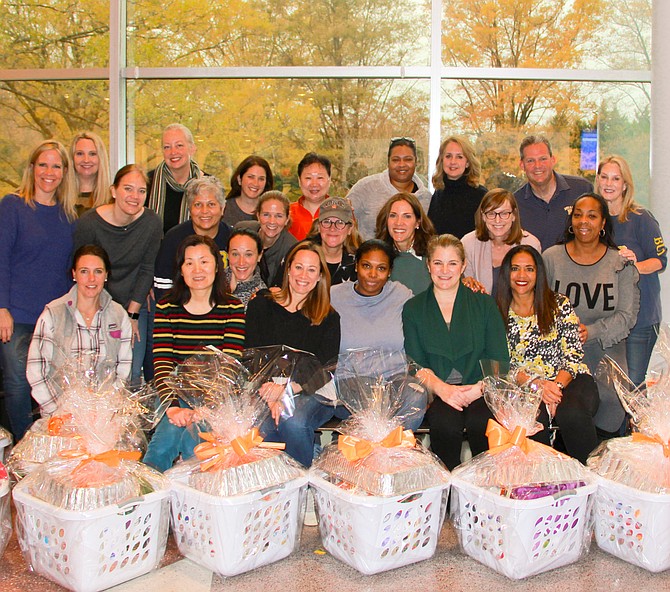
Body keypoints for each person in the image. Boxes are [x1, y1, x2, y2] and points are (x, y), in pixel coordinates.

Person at [402, 234, 509, 470]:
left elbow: (499, 359)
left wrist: (478, 389)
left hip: (481, 388)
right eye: (438, 263)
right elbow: (415, 363)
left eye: (452, 263)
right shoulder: (414, 308)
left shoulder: (484, 304)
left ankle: (484, 488)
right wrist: (444, 390)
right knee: (444, 425)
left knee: (482, 421)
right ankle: (448, 494)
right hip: (439, 391)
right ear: (428, 265)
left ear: (463, 266)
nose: (444, 270)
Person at [144, 235, 245, 472]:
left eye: (204, 261)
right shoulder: (167, 307)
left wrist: (205, 407)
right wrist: (173, 406)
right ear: (180, 269)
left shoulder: (232, 308)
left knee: (193, 440)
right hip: (173, 391)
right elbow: (162, 362)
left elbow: (230, 366)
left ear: (217, 266)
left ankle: (187, 495)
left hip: (217, 395)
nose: (197, 269)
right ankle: (150, 490)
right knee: (168, 435)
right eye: (189, 263)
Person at [543, 193, 640, 436]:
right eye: (578, 215)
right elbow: (536, 308)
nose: (583, 221)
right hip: (558, 370)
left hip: (605, 366)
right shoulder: (550, 259)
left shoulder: (620, 262)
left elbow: (627, 317)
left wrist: (592, 331)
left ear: (603, 223)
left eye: (592, 216)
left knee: (603, 445)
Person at [0, 139, 77, 440]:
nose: (49, 171)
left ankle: (50, 445)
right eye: (42, 164)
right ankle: (25, 446)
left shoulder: (69, 215)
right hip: (17, 314)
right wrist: (2, 307)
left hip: (56, 318)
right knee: (19, 384)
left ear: (64, 172)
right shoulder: (13, 206)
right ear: (32, 168)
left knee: (54, 385)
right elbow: (1, 257)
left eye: (56, 166)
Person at [496, 245, 599, 464]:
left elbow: (573, 353)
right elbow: (499, 362)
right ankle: (543, 485)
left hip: (571, 379)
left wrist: (556, 389)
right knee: (534, 420)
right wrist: (536, 385)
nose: (522, 275)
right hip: (524, 386)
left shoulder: (559, 304)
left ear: (538, 273)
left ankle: (593, 481)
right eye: (515, 268)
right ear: (507, 272)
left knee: (571, 412)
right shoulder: (495, 311)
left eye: (529, 269)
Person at [245, 242, 340, 467]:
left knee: (293, 421)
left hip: (311, 389)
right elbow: (251, 356)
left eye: (311, 270)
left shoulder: (328, 317)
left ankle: (301, 482)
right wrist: (271, 393)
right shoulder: (261, 306)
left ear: (319, 277)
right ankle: (277, 488)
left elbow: (324, 368)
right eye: (298, 267)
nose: (303, 276)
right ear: (288, 270)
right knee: (260, 428)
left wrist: (286, 391)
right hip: (266, 387)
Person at [74, 164, 163, 385]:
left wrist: (131, 315)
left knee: (132, 371)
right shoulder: (89, 224)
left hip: (134, 303)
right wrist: (104, 312)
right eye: (128, 189)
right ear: (114, 191)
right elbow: (85, 271)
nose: (134, 196)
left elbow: (146, 268)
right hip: (97, 303)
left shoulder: (152, 222)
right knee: (99, 370)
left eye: (141, 191)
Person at [27, 245, 132, 416]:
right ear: (74, 274)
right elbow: (36, 372)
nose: (91, 279)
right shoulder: (53, 314)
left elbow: (123, 370)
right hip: (60, 416)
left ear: (106, 275)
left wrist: (105, 410)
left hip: (104, 415)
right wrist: (59, 413)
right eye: (84, 271)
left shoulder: (119, 315)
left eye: (98, 271)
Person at [596, 155, 667, 387]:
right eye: (604, 177)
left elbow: (660, 261)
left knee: (633, 386)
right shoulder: (595, 222)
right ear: (597, 180)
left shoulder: (641, 219)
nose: (609, 183)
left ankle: (637, 425)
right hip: (607, 318)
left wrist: (633, 266)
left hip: (641, 318)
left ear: (625, 185)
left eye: (616, 178)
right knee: (610, 386)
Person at [154, 176, 230, 300]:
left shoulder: (232, 238)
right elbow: (162, 287)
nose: (204, 211)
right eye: (198, 204)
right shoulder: (173, 239)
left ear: (222, 209)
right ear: (189, 209)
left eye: (211, 204)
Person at [514, 135, 592, 250]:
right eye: (530, 161)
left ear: (553, 160)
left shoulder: (582, 190)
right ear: (522, 165)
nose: (537, 166)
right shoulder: (515, 204)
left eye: (543, 159)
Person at [347, 137, 432, 240]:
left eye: (408, 159)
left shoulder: (426, 198)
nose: (402, 164)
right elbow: (343, 222)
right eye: (396, 160)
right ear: (388, 162)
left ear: (416, 162)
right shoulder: (365, 188)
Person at [462, 188, 541, 295]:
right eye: (491, 213)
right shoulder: (468, 243)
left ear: (514, 215)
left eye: (504, 213)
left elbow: (536, 290)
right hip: (480, 309)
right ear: (483, 216)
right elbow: (468, 289)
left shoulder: (531, 244)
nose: (497, 220)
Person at [148, 123, 205, 233]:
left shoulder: (208, 184)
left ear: (192, 148)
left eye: (179, 145)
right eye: (167, 147)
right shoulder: (147, 183)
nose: (173, 152)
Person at [427, 135, 487, 238]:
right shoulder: (438, 194)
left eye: (459, 157)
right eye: (448, 156)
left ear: (467, 162)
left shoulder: (481, 195)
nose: (453, 162)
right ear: (442, 160)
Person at [375, 192, 435, 294]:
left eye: (407, 216)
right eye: (393, 215)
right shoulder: (378, 255)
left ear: (417, 222)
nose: (398, 222)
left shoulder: (434, 253)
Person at [237, 190, 297, 286]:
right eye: (266, 215)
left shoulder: (291, 248)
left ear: (287, 219)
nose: (272, 221)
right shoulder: (242, 231)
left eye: (279, 216)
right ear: (258, 215)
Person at [303, 197, 360, 285]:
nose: (332, 228)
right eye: (327, 222)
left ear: (350, 229)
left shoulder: (359, 262)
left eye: (340, 222)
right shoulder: (301, 254)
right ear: (318, 226)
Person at [288, 152, 332, 241]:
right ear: (299, 181)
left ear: (329, 180)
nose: (314, 184)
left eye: (320, 178)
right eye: (308, 178)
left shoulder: (341, 211)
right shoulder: (287, 213)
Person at [223, 155, 274, 227]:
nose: (256, 183)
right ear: (239, 179)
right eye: (251, 177)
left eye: (261, 179)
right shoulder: (223, 209)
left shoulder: (272, 212)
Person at [70, 131, 111, 216]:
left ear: (101, 158)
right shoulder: (60, 198)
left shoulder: (113, 200)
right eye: (80, 153)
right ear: (72, 158)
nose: (86, 160)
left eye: (92, 154)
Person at [225, 227, 267, 309]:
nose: (241, 262)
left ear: (259, 256)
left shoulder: (262, 297)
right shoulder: (211, 281)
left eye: (248, 255)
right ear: (228, 255)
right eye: (235, 254)